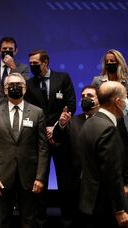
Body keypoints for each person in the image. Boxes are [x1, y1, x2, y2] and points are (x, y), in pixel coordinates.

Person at [0, 72, 49, 228]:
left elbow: (43, 148)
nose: (14, 88)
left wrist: (40, 177)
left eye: (18, 85)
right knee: (3, 220)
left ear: (25, 89)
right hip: (2, 177)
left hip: (30, 177)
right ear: (5, 90)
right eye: (10, 85)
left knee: (28, 220)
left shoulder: (37, 112)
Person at [24, 50, 76, 228]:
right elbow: (29, 109)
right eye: (30, 63)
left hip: (61, 137)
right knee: (40, 182)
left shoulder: (63, 78)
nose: (32, 66)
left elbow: (71, 105)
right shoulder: (29, 84)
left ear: (45, 62)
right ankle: (40, 220)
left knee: (65, 181)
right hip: (39, 139)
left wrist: (54, 129)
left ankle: (67, 219)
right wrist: (45, 130)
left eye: (35, 63)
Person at [79, 81, 128, 227]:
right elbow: (111, 174)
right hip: (105, 206)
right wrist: (120, 210)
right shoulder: (108, 128)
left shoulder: (90, 122)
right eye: (125, 98)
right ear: (118, 102)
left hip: (89, 202)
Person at [52, 86, 100, 227]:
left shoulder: (107, 121)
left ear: (99, 100)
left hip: (98, 185)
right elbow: (57, 139)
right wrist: (61, 124)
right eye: (83, 95)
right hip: (74, 184)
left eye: (90, 95)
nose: (86, 98)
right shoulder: (72, 121)